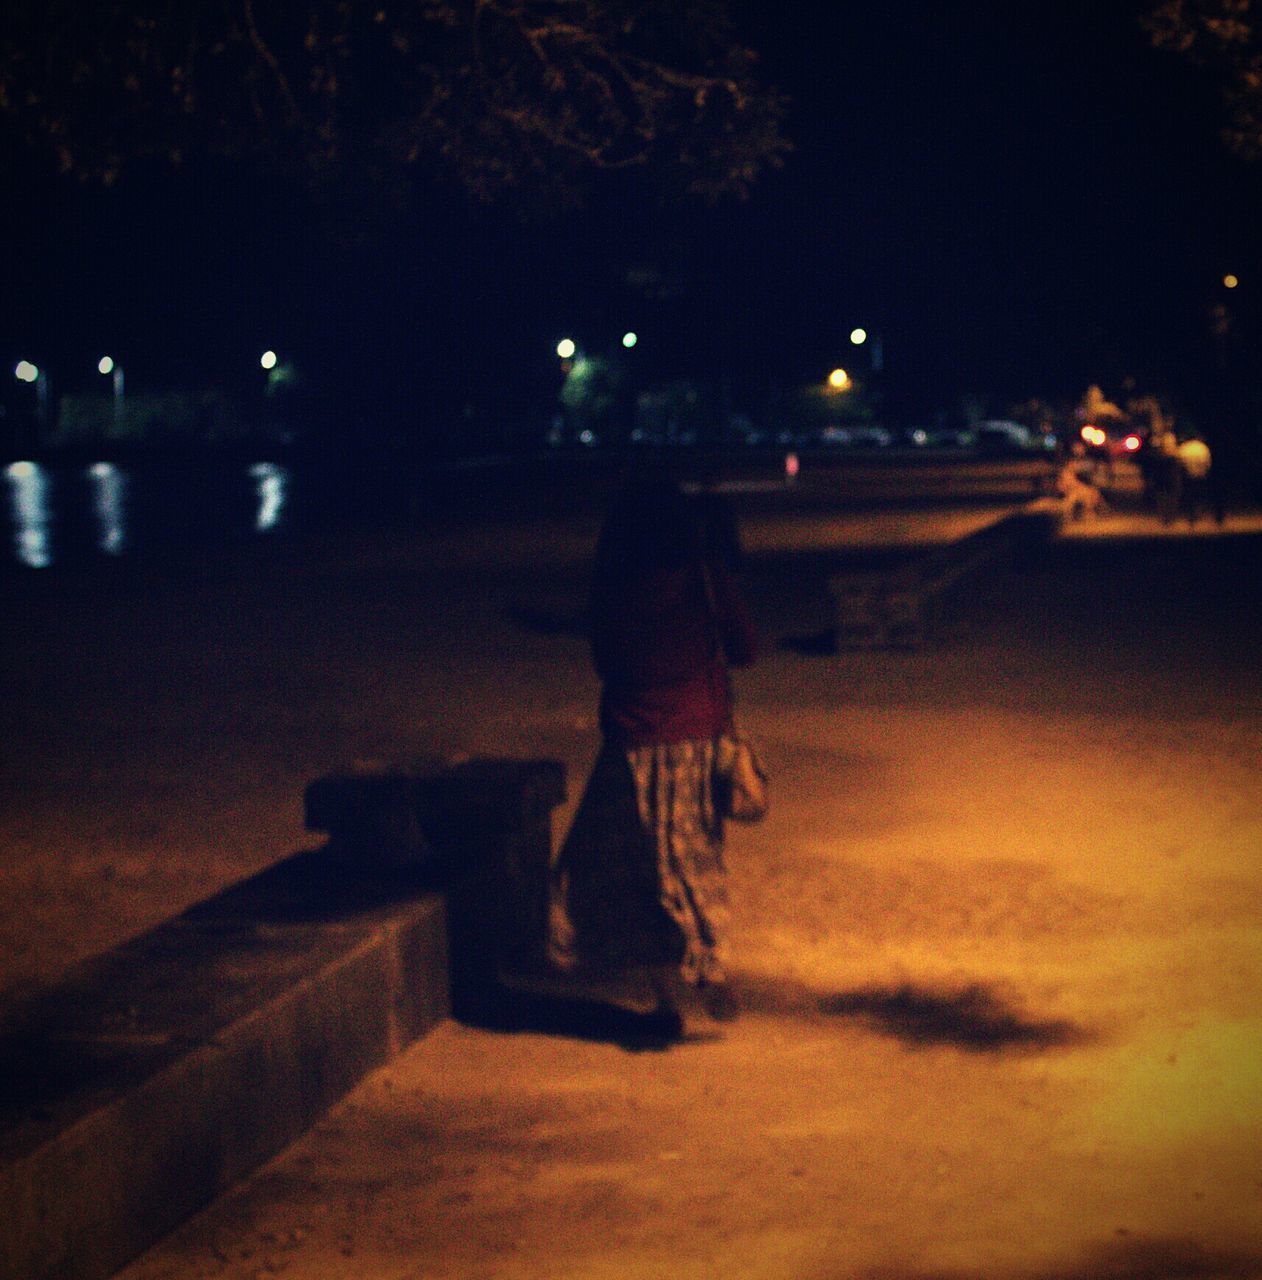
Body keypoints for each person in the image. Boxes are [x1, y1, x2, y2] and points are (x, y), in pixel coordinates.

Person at [548, 475, 757, 1039]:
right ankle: (708, 967)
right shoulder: (703, 578)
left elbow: (607, 664)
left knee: (631, 871)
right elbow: (745, 649)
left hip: (633, 745)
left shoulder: (611, 587)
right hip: (696, 739)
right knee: (691, 860)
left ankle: (664, 996)